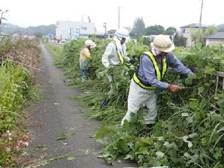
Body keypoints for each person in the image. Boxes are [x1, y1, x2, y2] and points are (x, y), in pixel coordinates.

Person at [121, 34, 194, 126]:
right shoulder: (146, 58)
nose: (168, 53)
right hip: (139, 88)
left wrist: (192, 75)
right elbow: (151, 80)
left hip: (152, 88)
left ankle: (148, 128)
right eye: (165, 51)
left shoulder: (167, 55)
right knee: (133, 111)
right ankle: (123, 131)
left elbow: (178, 66)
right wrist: (169, 86)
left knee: (151, 110)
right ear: (159, 49)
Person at [101, 28, 135, 92]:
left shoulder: (122, 45)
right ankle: (110, 98)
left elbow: (123, 55)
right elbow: (104, 58)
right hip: (112, 68)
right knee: (113, 86)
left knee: (120, 84)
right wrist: (109, 67)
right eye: (124, 39)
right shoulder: (112, 45)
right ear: (120, 38)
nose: (124, 41)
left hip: (119, 67)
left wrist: (129, 60)